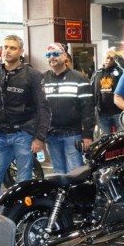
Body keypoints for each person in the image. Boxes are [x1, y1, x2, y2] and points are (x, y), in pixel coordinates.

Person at [0, 35, 51, 209]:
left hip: (24, 136)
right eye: (5, 47)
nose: (7, 51)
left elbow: (43, 108)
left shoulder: (32, 75)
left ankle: (21, 218)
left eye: (12, 48)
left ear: (21, 51)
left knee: (22, 184)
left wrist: (39, 137)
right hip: (2, 137)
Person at [43, 43, 94, 174]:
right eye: (48, 55)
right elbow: (39, 109)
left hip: (73, 134)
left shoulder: (80, 78)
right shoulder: (42, 79)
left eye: (56, 54)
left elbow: (88, 109)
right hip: (51, 135)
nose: (52, 57)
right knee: (59, 173)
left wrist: (88, 136)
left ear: (65, 56)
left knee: (75, 172)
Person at [91, 51, 124, 134]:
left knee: (121, 138)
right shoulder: (97, 73)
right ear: (103, 59)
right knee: (106, 139)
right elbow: (91, 90)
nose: (109, 60)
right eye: (107, 58)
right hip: (102, 113)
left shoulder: (121, 71)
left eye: (111, 58)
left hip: (118, 112)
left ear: (114, 60)